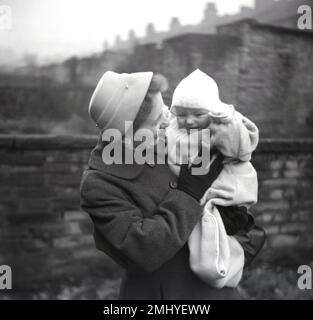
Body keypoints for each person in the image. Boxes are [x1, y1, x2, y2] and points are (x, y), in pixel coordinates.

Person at [80, 70, 265, 299]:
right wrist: (187, 194)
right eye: (158, 121)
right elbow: (144, 250)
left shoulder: (170, 143)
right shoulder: (100, 185)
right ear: (126, 135)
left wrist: (243, 237)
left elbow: (230, 177)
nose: (169, 121)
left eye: (166, 110)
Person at [166, 69, 260, 288]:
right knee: (199, 251)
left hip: (223, 201)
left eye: (198, 114)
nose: (188, 121)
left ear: (212, 112)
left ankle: (227, 270)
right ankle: (221, 272)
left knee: (210, 258)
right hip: (194, 196)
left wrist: (225, 121)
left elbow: (241, 147)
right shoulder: (172, 128)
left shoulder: (221, 129)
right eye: (181, 114)